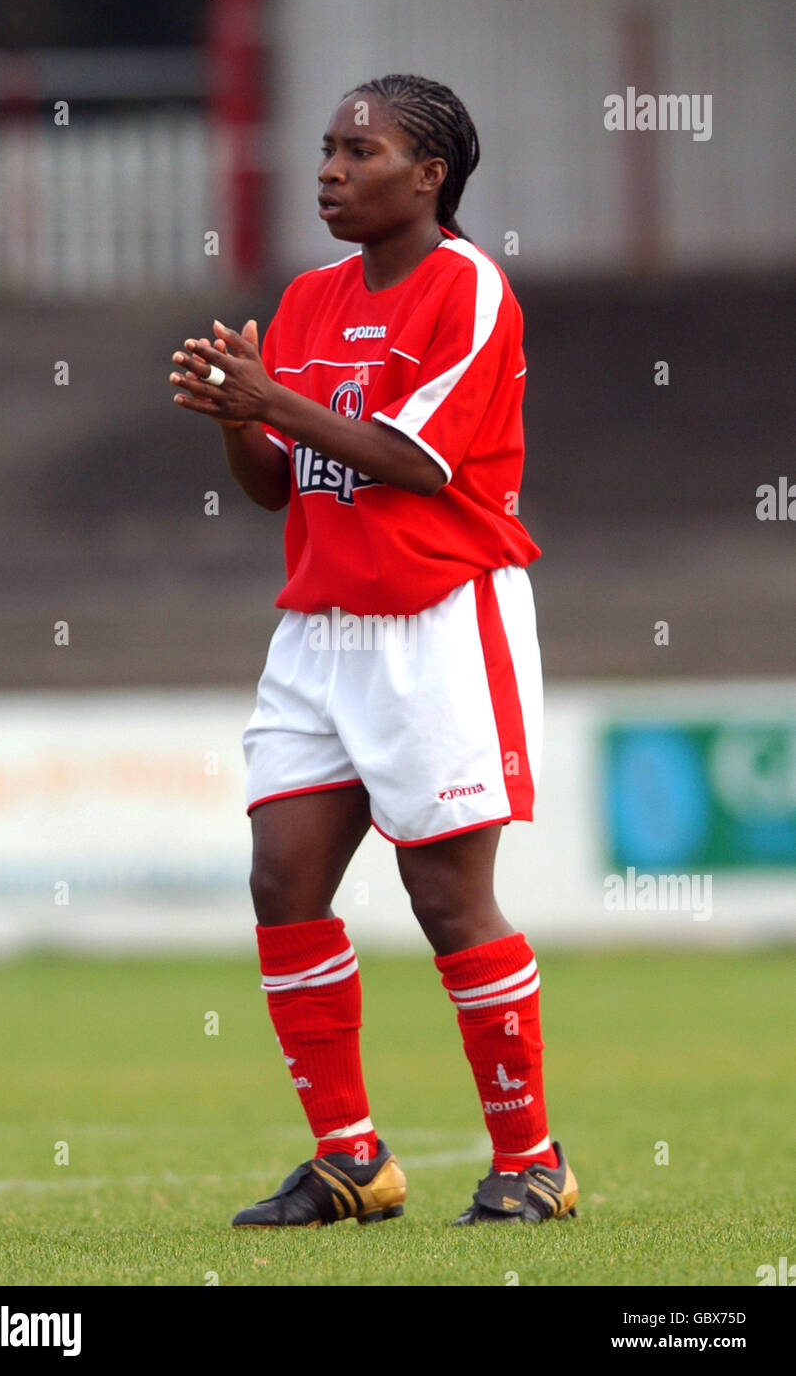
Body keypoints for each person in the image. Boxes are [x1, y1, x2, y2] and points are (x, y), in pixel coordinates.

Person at [169, 73, 578, 1228]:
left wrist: (274, 401)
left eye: (360, 150)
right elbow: (276, 486)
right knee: (281, 878)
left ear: (429, 174)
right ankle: (351, 1158)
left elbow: (415, 462)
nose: (328, 171)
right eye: (325, 149)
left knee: (447, 896)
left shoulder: (467, 290)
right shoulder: (305, 299)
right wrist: (237, 418)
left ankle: (530, 1158)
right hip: (318, 626)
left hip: (439, 619)